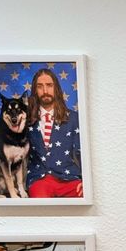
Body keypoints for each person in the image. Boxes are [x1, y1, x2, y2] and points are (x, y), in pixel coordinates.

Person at [26, 67, 83, 197]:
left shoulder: (74, 118)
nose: (45, 91)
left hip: (70, 178)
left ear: (56, 88)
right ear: (34, 90)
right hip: (39, 180)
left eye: (49, 85)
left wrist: (87, 182)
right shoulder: (26, 120)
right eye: (40, 86)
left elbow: (84, 152)